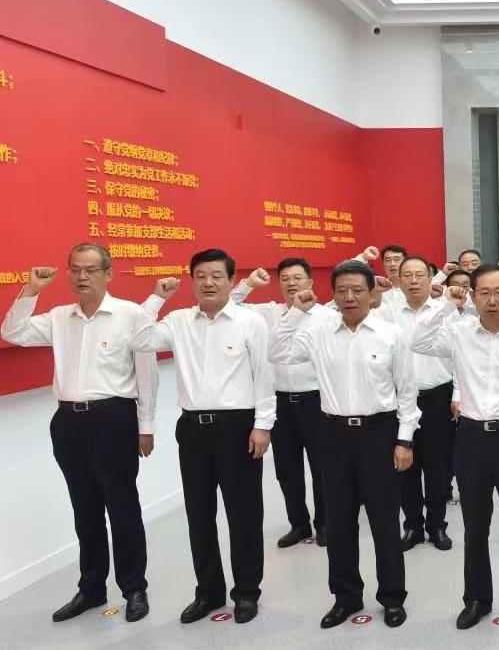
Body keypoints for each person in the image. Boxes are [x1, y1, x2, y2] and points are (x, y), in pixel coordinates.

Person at [2, 245, 158, 623]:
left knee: (122, 507)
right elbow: (13, 331)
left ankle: (134, 589)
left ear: (109, 273)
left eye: (90, 270)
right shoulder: (60, 317)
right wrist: (31, 290)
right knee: (84, 509)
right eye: (75, 270)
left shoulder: (131, 315)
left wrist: (146, 426)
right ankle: (91, 589)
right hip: (69, 423)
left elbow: (147, 375)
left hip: (114, 420)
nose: (82, 276)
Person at [269, 260, 418, 628]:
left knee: (384, 521)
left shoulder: (391, 335)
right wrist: (296, 312)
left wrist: (404, 440)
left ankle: (392, 597)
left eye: (357, 290)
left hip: (380, 433)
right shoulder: (318, 332)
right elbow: (276, 352)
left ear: (371, 294)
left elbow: (406, 392)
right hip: (333, 434)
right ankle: (346, 597)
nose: (349, 297)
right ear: (332, 295)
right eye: (341, 291)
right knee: (339, 522)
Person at [131, 250, 275, 625]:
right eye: (200, 276)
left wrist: (263, 424)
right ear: (192, 280)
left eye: (216, 276)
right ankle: (209, 592)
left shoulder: (250, 322)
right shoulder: (178, 321)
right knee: (199, 514)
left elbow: (264, 374)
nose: (208, 282)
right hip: (193, 428)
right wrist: (157, 298)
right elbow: (139, 339)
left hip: (238, 426)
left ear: (231, 280)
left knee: (244, 514)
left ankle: (246, 592)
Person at [411, 266, 499, 632]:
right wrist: (446, 304)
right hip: (471, 439)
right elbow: (418, 341)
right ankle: (476, 599)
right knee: (475, 527)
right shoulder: (457, 333)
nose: (492, 300)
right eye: (484, 292)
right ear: (473, 295)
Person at [230, 259, 328, 549]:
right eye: (285, 278)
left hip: (317, 401)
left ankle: (326, 524)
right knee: (286, 468)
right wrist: (249, 283)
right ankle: (298, 524)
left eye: (297, 277)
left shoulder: (325, 315)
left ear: (310, 282)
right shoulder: (268, 313)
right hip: (280, 403)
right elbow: (229, 304)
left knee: (322, 467)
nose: (291, 283)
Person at [371, 255, 457, 553]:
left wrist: (457, 395)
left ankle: (437, 525)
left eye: (420, 274)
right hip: (398, 401)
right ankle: (412, 526)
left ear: (431, 278)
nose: (414, 280)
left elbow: (458, 357)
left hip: (437, 397)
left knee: (437, 467)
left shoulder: (447, 310)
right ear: (399, 279)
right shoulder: (388, 313)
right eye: (407, 275)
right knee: (404, 466)